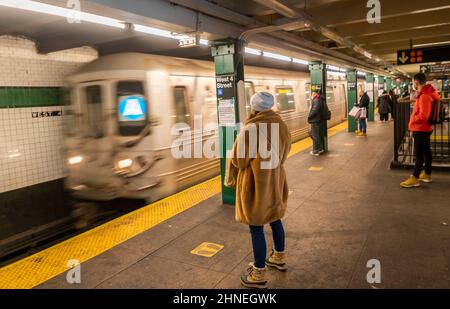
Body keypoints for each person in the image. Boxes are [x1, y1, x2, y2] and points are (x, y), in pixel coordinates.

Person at [232, 92, 291, 289]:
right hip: (274, 181)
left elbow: (239, 161)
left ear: (254, 108)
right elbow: (285, 154)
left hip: (255, 186)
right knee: (275, 219)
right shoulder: (281, 125)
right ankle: (278, 257)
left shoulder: (250, 129)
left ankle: (258, 274)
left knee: (256, 227)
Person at [400, 73, 440, 188]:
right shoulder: (427, 93)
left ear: (416, 82)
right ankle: (426, 174)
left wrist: (412, 120)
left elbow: (423, 116)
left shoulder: (424, 96)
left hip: (420, 129)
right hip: (425, 128)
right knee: (426, 151)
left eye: (413, 81)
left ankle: (415, 178)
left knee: (419, 155)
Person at [307, 90, 325, 156]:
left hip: (315, 120)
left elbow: (315, 110)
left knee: (315, 136)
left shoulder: (316, 100)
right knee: (314, 134)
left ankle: (316, 151)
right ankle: (320, 149)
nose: (311, 95)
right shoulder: (320, 99)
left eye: (312, 94)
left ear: (315, 94)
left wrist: (309, 116)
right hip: (318, 120)